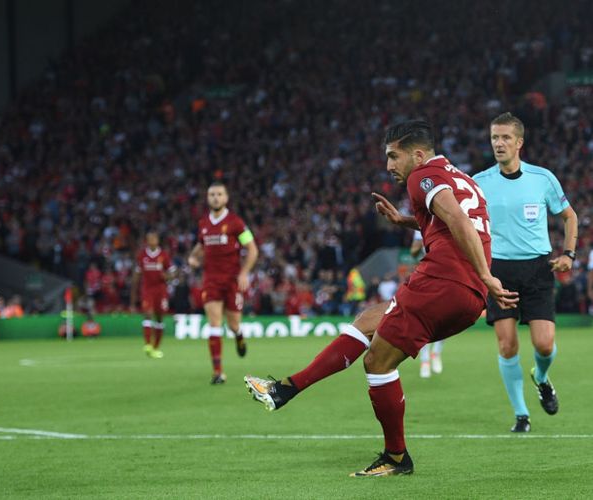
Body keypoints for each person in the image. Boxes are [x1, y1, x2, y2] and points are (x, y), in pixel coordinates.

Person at [245, 120, 517, 476]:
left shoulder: (423, 177)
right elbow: (458, 223)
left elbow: (460, 223)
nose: (389, 165)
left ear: (417, 155)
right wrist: (407, 221)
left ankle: (396, 457)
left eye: (393, 156)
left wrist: (486, 274)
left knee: (377, 363)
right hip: (464, 294)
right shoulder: (461, 178)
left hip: (443, 281)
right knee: (369, 320)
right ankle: (286, 389)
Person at [473, 112, 578, 433]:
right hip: (499, 270)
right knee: (507, 346)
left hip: (537, 267)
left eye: (505, 138)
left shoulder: (542, 178)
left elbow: (570, 217)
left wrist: (569, 254)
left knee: (544, 345)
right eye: (494, 137)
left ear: (519, 142)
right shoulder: (479, 182)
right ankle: (521, 415)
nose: (499, 143)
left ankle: (541, 377)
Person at [188, 181, 258, 384]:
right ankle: (217, 372)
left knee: (233, 324)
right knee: (214, 324)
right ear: (207, 198)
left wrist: (244, 273)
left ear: (226, 198)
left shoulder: (236, 223)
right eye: (212, 194)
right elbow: (200, 246)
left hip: (232, 281)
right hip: (211, 281)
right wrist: (193, 258)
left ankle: (239, 335)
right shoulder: (203, 224)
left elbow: (252, 250)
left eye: (219, 194)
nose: (215, 198)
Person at [131, 231, 175, 358]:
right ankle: (147, 345)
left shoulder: (164, 255)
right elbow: (137, 274)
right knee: (148, 313)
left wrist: (167, 276)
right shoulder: (142, 255)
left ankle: (156, 347)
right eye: (149, 239)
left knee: (159, 317)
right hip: (147, 289)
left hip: (161, 291)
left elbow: (172, 274)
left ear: (157, 240)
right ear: (147, 241)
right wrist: (133, 297)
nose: (152, 241)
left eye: (153, 239)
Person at [411, 230, 444, 378]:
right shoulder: (420, 223)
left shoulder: (448, 218)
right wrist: (419, 246)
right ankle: (425, 361)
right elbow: (413, 252)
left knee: (446, 317)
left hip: (447, 274)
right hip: (427, 274)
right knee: (423, 320)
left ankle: (436, 352)